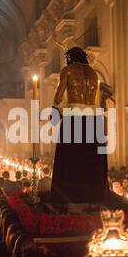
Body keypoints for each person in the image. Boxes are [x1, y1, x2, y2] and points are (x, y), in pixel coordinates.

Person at [50, 47, 108, 205]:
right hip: (93, 120)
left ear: (70, 58)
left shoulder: (68, 70)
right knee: (91, 160)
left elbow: (58, 96)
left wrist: (55, 112)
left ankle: (70, 197)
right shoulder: (93, 72)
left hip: (74, 118)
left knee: (71, 158)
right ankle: (93, 197)